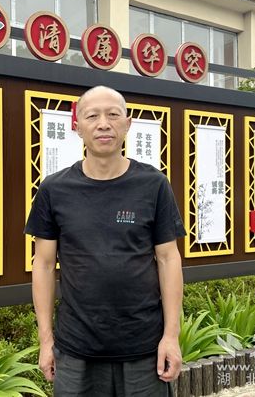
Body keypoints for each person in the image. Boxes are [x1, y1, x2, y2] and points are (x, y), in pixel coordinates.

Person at [25, 85, 186, 396]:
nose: (103, 124)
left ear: (127, 124)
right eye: (92, 116)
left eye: (113, 115)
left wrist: (171, 336)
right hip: (76, 348)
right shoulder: (54, 190)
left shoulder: (153, 185)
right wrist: (46, 341)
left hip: (144, 348)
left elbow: (168, 259)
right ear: (77, 126)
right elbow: (43, 265)